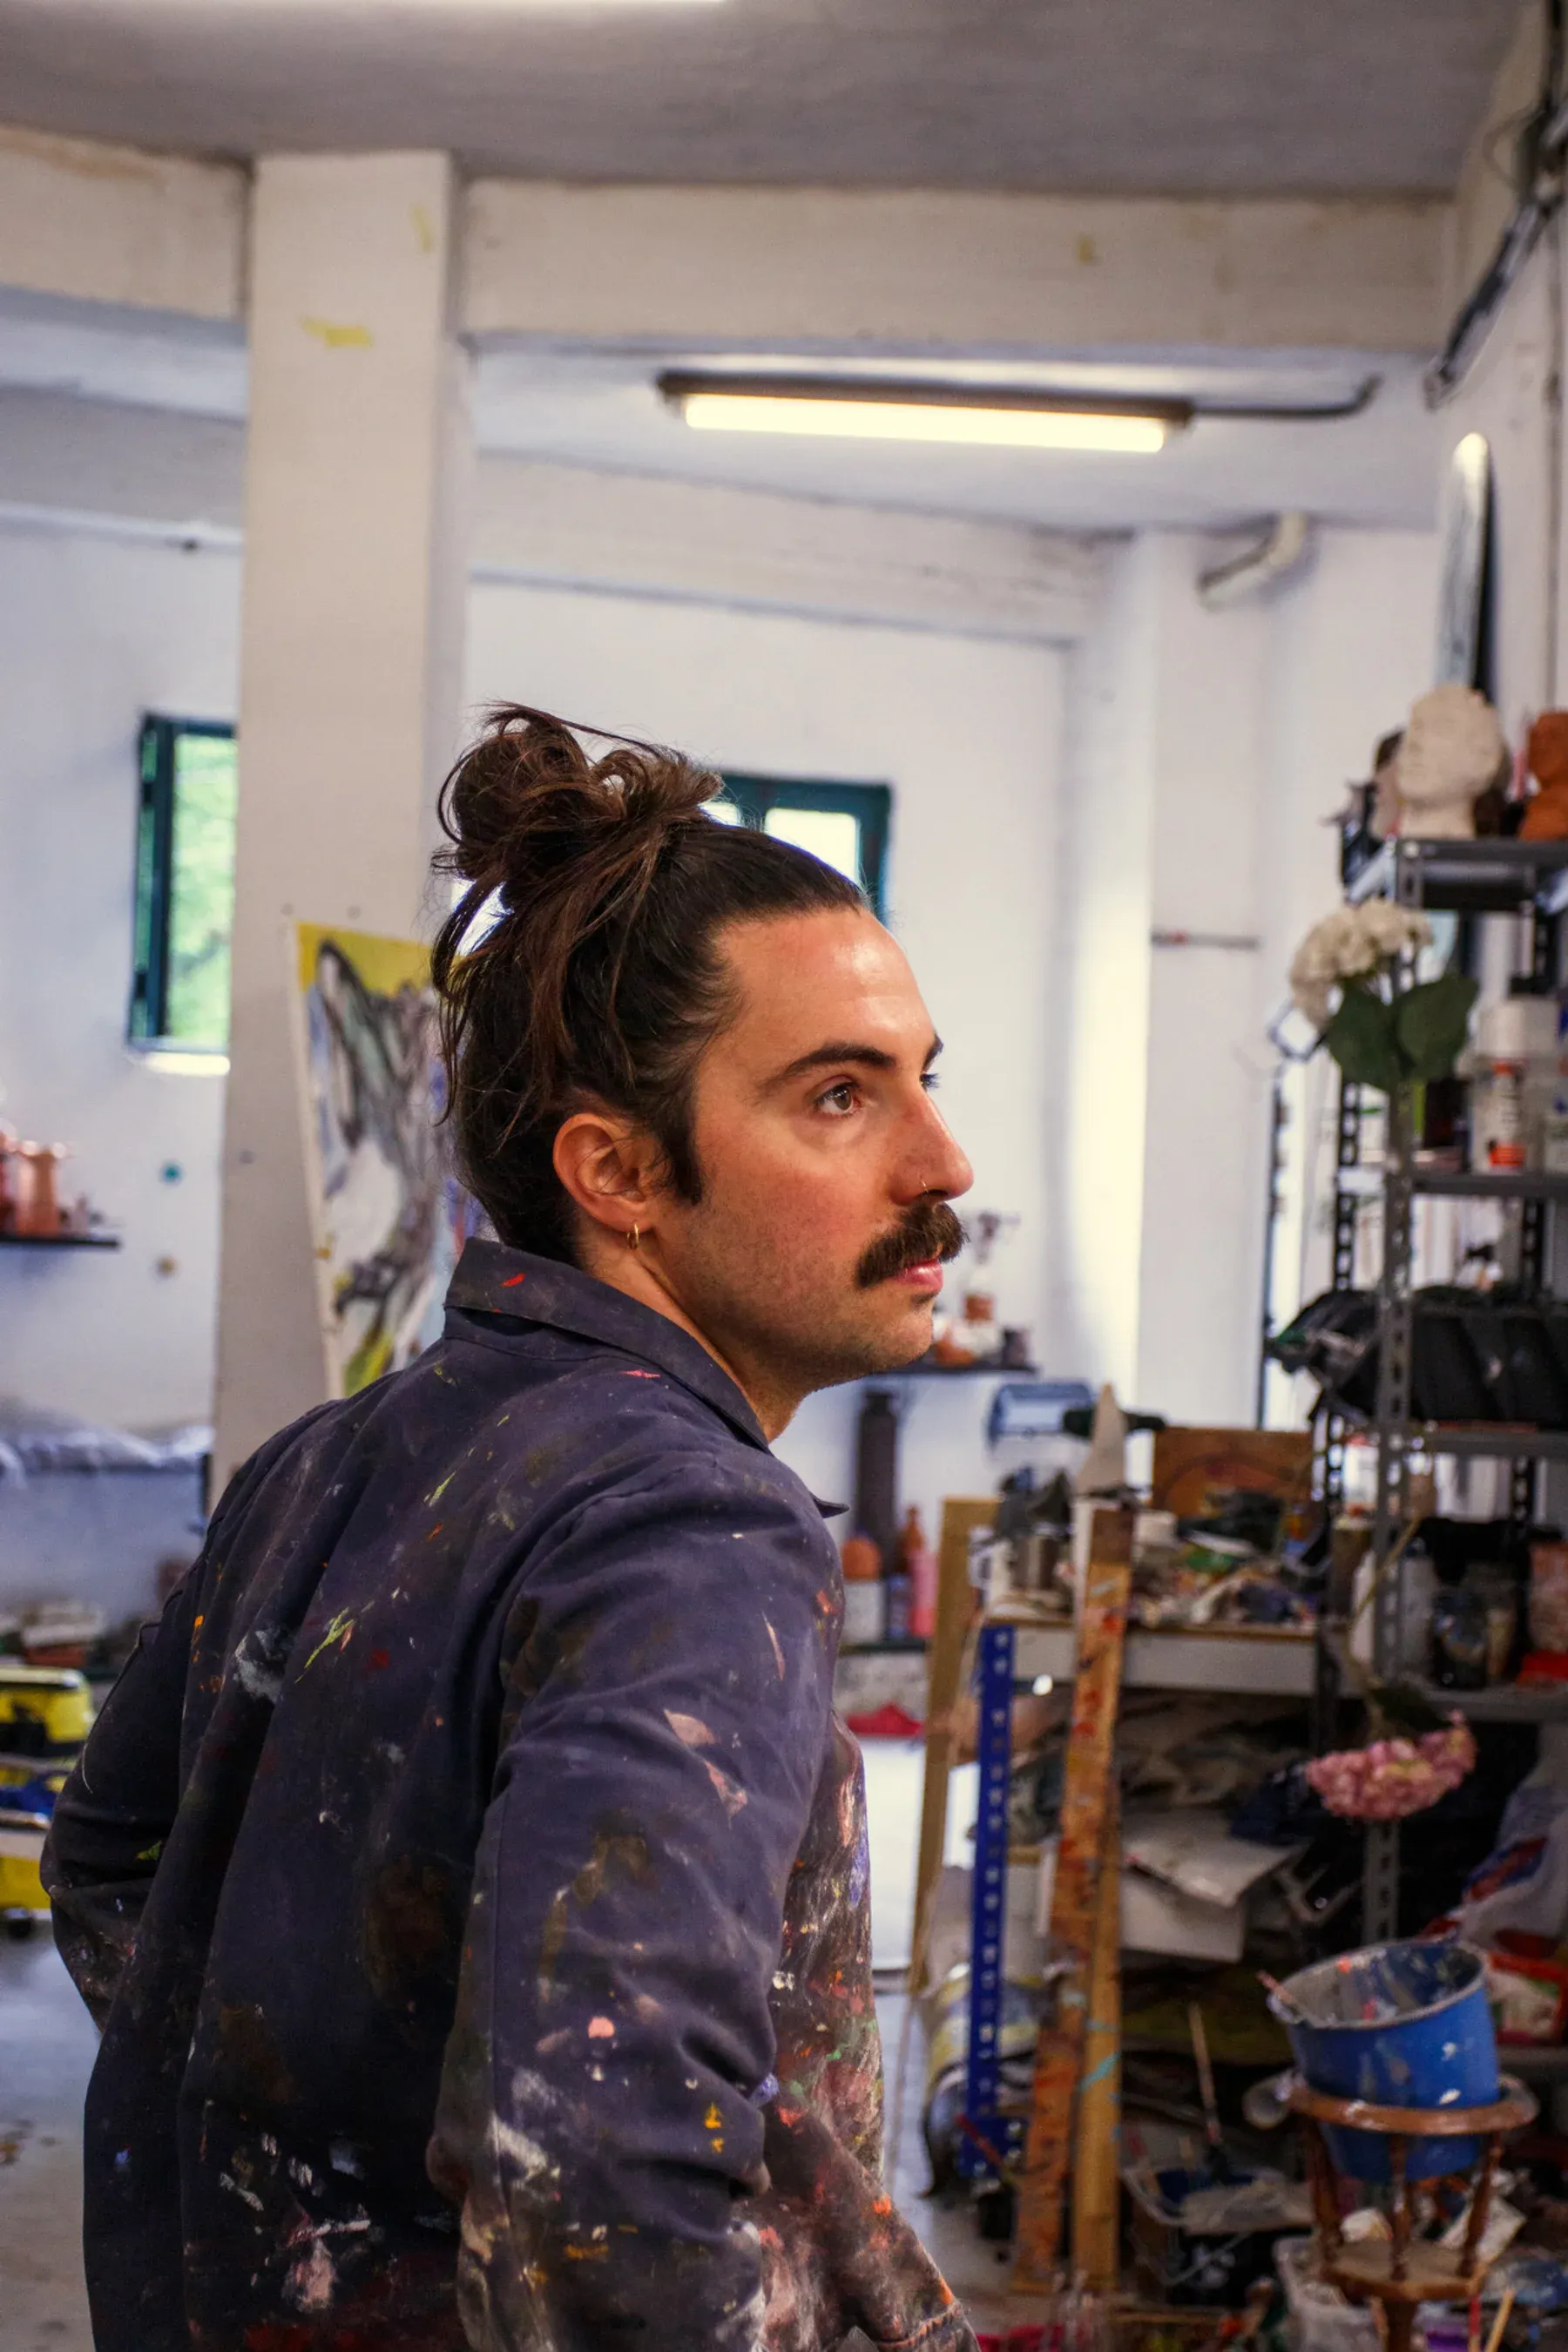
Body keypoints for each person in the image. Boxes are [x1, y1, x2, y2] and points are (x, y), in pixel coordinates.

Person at [44, 707, 977, 2352]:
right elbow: (597, 2164)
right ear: (616, 1169)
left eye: (920, 1080)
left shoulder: (330, 1457)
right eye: (839, 1097)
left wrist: (327, 2170)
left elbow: (114, 1866)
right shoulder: (688, 1529)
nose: (941, 1162)